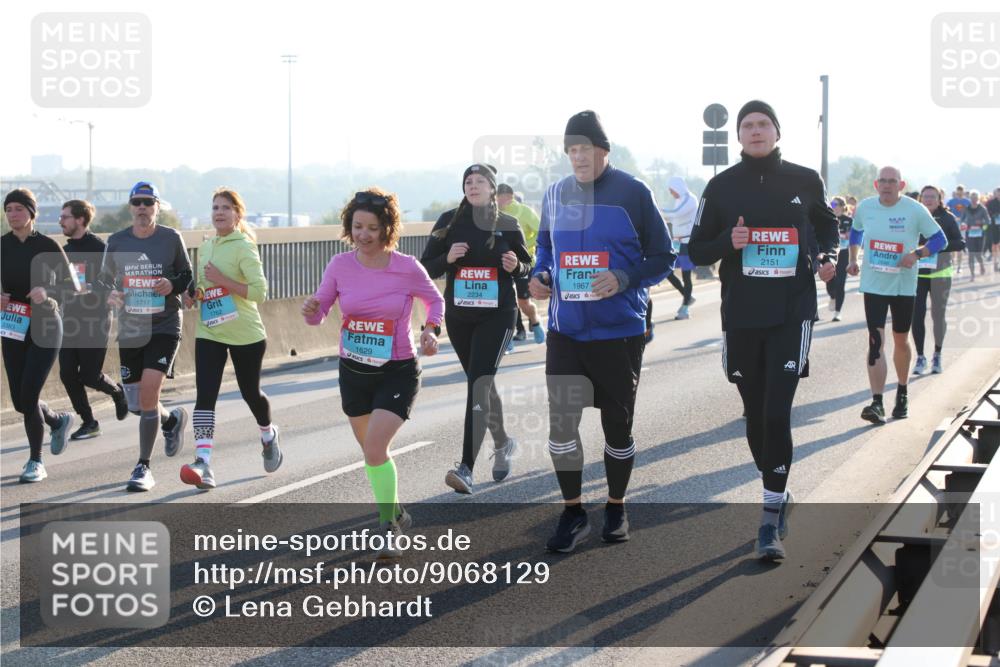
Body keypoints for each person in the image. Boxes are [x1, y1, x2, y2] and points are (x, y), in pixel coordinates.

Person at [688, 100, 838, 561]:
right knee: (755, 413)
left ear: (776, 131)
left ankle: (770, 516)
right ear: (738, 136)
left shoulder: (804, 179)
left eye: (763, 124)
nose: (755, 131)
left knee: (777, 410)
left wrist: (829, 257)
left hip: (792, 311)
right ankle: (778, 491)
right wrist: (725, 243)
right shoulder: (719, 187)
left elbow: (827, 224)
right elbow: (695, 251)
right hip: (742, 315)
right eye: (747, 126)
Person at [529, 110, 674, 552]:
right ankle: (573, 512)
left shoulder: (633, 193)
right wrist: (541, 276)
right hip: (566, 330)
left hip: (619, 330)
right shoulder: (555, 194)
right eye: (571, 150)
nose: (578, 157)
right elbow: (545, 249)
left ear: (602, 151)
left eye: (585, 149)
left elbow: (663, 255)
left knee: (617, 426)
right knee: (562, 426)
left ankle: (616, 505)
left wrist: (623, 278)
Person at [304, 188, 444, 557]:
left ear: (386, 229)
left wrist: (431, 330)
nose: (363, 234)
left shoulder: (407, 267)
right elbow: (320, 312)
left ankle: (387, 529)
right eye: (357, 226)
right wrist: (311, 309)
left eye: (371, 227)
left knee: (376, 447)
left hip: (397, 368)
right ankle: (396, 510)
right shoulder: (339, 266)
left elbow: (435, 300)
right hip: (353, 369)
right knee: (371, 452)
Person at [421, 165, 531, 493]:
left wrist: (517, 266)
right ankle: (503, 442)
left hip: (497, 316)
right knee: (478, 382)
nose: (472, 186)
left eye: (479, 181)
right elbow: (425, 268)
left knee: (479, 384)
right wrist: (448, 259)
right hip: (460, 316)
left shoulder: (508, 224)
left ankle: (466, 467)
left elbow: (528, 265)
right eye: (468, 181)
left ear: (492, 189)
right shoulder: (448, 222)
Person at [179, 188, 282, 490]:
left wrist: (223, 280)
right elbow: (205, 287)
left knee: (251, 393)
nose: (219, 212)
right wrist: (193, 294)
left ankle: (267, 433)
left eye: (225, 207)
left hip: (245, 334)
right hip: (210, 330)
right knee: (205, 395)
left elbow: (259, 292)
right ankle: (203, 463)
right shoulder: (208, 245)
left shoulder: (244, 246)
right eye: (215, 207)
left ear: (238, 214)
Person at [100, 181, 192, 492]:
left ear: (156, 207)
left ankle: (143, 466)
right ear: (131, 207)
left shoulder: (170, 238)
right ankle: (171, 421)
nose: (142, 207)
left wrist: (171, 283)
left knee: (151, 393)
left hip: (165, 324)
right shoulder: (116, 241)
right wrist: (111, 293)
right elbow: (103, 280)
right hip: (131, 328)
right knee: (137, 404)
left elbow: (186, 275)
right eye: (137, 202)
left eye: (148, 202)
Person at [847, 167, 946, 425]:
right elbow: (855, 231)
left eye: (892, 181)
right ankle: (877, 402)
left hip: (903, 285)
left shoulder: (914, 210)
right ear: (876, 184)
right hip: (873, 285)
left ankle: (902, 392)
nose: (887, 185)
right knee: (874, 342)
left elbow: (940, 239)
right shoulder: (866, 207)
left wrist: (916, 255)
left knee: (900, 341)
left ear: (901, 184)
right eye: (883, 181)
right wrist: (853, 258)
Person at [2, 188, 76, 482]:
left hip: (46, 326)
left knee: (29, 395)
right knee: (21, 401)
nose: (12, 214)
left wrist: (48, 294)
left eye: (18, 209)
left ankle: (36, 461)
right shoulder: (2, 246)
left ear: (32, 213)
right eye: (8, 209)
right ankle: (59, 420)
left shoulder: (47, 245)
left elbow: (72, 287)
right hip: (12, 325)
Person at [58, 199, 129, 439]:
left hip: (96, 320)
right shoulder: (65, 251)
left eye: (65, 216)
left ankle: (118, 393)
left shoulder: (101, 248)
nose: (61, 221)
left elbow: (113, 282)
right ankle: (89, 422)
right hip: (69, 320)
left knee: (89, 375)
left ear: (80, 219)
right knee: (67, 373)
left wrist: (89, 287)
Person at [912, 185, 964, 376]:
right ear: (920, 199)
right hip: (918, 273)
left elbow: (960, 242)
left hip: (941, 273)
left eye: (932, 197)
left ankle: (937, 354)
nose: (928, 200)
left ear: (939, 198)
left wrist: (936, 247)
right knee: (916, 316)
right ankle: (920, 356)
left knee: (937, 315)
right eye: (925, 197)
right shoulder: (914, 217)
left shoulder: (947, 218)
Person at [497, 183, 545, 346]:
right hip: (503, 264)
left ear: (509, 197)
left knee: (523, 302)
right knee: (504, 300)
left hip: (524, 263)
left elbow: (541, 232)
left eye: (499, 197)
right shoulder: (493, 213)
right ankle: (507, 338)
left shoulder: (524, 212)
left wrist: (524, 245)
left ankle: (535, 321)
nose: (495, 200)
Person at [662, 176, 698, 321]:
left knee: (686, 276)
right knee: (666, 271)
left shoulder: (690, 199)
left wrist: (658, 210)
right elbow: (672, 217)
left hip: (687, 243)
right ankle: (687, 296)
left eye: (672, 191)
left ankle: (685, 309)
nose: (672, 194)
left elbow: (676, 213)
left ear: (678, 188)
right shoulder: (679, 200)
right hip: (677, 243)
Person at [824, 196, 853, 321]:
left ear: (842, 206)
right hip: (830, 253)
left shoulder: (848, 220)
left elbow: (850, 236)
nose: (832, 206)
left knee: (840, 283)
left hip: (844, 253)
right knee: (830, 280)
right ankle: (832, 296)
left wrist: (845, 235)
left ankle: (837, 312)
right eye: (831, 204)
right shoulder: (827, 217)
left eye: (835, 204)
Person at [961, 190, 990, 280]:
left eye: (975, 198)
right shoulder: (966, 208)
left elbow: (988, 222)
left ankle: (981, 265)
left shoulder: (982, 209)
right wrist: (963, 225)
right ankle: (972, 274)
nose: (974, 200)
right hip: (969, 234)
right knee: (971, 254)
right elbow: (962, 220)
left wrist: (982, 225)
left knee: (978, 254)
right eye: (972, 198)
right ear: (970, 199)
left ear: (978, 198)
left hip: (980, 235)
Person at [987, 187, 1000, 272]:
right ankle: (995, 263)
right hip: (994, 226)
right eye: (998, 193)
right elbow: (987, 213)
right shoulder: (991, 203)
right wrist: (994, 215)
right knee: (995, 245)